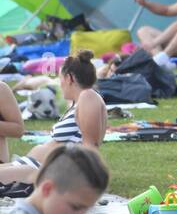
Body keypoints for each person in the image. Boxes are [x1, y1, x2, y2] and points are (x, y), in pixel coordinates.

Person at [0, 51, 107, 193]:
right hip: (33, 166)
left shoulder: (88, 97)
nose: (60, 83)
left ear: (69, 78)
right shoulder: (80, 101)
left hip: (42, 171)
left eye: (60, 78)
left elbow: (90, 145)